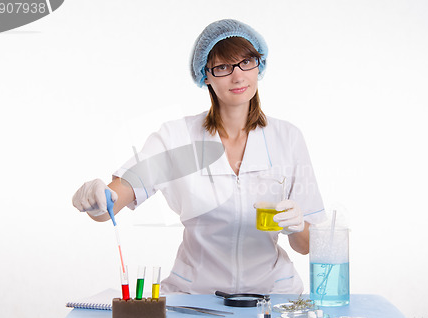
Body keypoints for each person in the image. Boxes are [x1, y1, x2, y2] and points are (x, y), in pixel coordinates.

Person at [72, 19, 325, 294]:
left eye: (247, 62)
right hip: (194, 299)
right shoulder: (176, 138)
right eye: (224, 67)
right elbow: (111, 203)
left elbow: (307, 245)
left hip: (273, 297)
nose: (238, 76)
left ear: (259, 65)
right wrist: (95, 199)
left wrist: (297, 226)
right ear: (205, 75)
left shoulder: (288, 138)